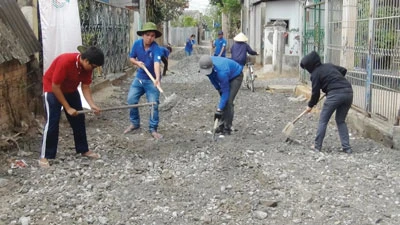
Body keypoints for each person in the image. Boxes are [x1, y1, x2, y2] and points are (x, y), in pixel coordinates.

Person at [39, 46, 105, 168]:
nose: (93, 69)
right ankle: (45, 155)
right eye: (93, 66)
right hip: (52, 89)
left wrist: (92, 105)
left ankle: (83, 149)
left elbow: (85, 87)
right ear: (86, 61)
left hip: (70, 90)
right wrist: (67, 108)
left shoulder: (87, 68)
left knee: (79, 119)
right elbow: (55, 86)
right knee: (53, 121)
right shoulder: (65, 62)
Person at [300, 51, 353, 154]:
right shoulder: (329, 66)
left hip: (334, 95)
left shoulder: (315, 74)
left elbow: (315, 93)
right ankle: (347, 148)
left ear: (310, 66)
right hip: (348, 92)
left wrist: (310, 105)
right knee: (341, 120)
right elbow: (343, 70)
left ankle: (317, 146)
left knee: (323, 120)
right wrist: (334, 80)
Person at [124, 22, 163, 139]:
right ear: (143, 35)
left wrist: (157, 79)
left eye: (152, 35)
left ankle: (153, 129)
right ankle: (135, 123)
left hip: (152, 81)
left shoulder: (156, 48)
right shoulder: (136, 44)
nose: (150, 38)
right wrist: (137, 63)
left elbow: (157, 63)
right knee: (131, 100)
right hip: (140, 78)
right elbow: (131, 58)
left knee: (153, 104)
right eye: (147, 35)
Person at [198, 55, 243, 135]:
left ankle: (227, 128)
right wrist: (218, 88)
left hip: (236, 76)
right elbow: (211, 77)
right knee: (223, 101)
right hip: (224, 74)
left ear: (212, 66)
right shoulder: (207, 64)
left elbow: (225, 91)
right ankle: (221, 126)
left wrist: (219, 110)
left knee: (228, 101)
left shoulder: (222, 72)